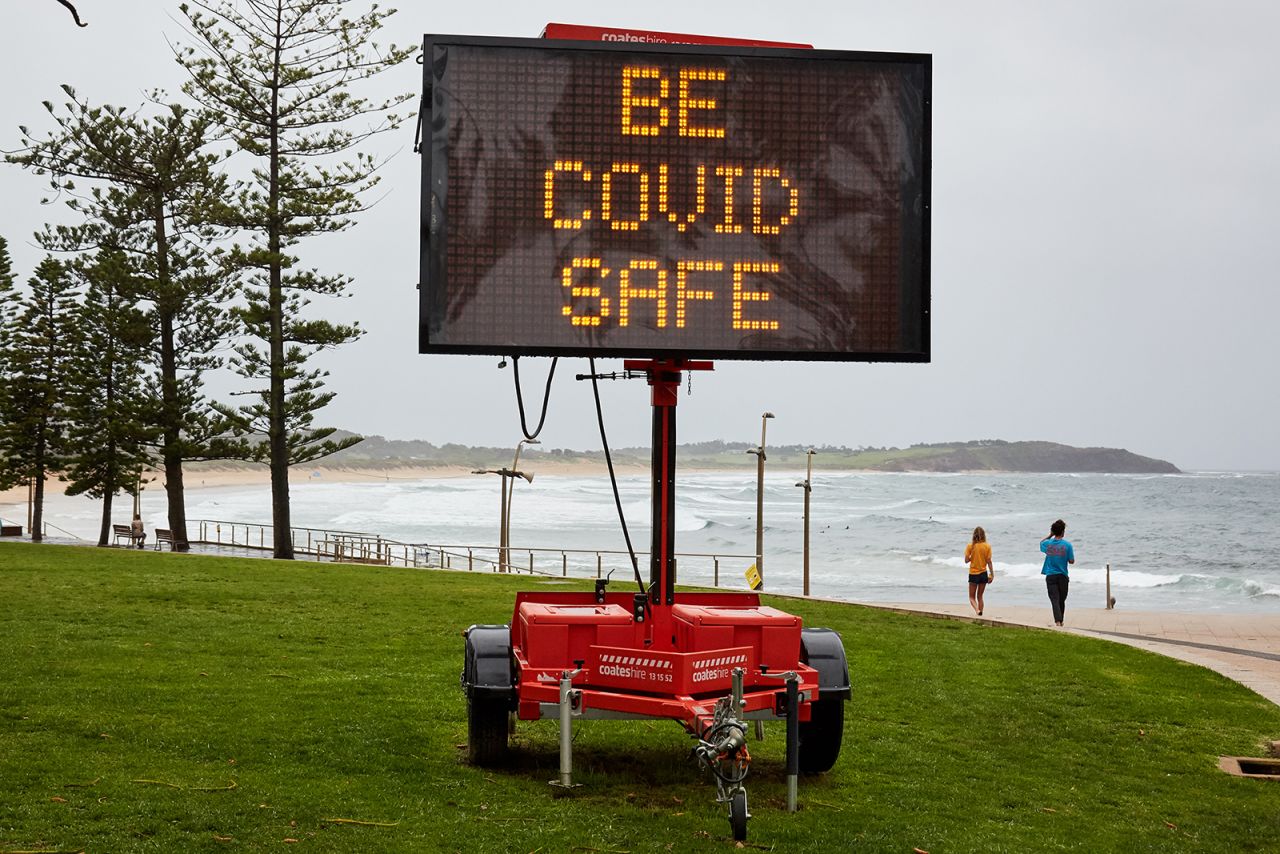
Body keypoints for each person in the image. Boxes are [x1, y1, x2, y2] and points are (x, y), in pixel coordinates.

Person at [1041, 519, 1075, 626]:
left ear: (1054, 532)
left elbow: (1041, 543)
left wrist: (1050, 535)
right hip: (1063, 576)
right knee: (1061, 599)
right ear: (1063, 532)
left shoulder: (1048, 544)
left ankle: (1058, 621)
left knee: (1054, 599)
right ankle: (1060, 621)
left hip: (1051, 575)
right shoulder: (1068, 545)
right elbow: (1071, 561)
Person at [964, 526, 994, 615]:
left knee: (971, 597)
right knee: (980, 596)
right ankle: (981, 614)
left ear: (974, 535)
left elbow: (966, 560)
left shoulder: (970, 546)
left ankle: (977, 610)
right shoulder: (987, 546)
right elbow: (989, 562)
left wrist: (971, 557)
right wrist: (992, 574)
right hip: (983, 573)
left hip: (973, 573)